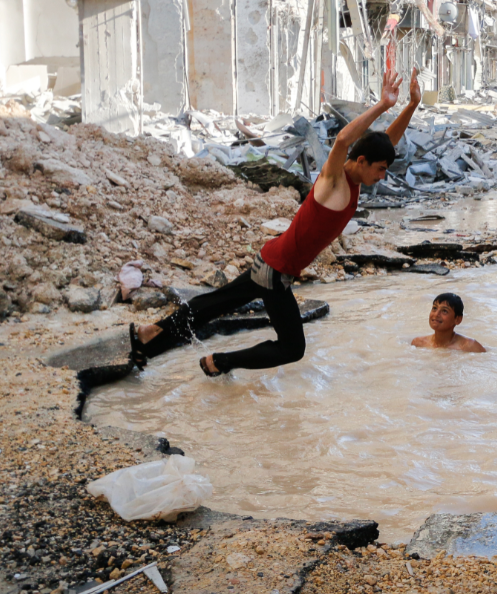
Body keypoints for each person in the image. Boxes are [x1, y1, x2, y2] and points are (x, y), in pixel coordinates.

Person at [129, 67, 423, 376]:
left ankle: (152, 332)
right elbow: (343, 141)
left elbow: (384, 143)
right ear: (361, 161)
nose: (383, 176)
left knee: (214, 304)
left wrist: (411, 106)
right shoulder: (333, 180)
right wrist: (382, 105)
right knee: (292, 348)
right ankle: (220, 362)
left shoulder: (357, 175)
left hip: (271, 259)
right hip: (276, 271)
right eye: (380, 169)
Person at [410, 293, 486, 353]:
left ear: (458, 319)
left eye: (444, 311)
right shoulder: (418, 343)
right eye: (434, 308)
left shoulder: (470, 347)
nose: (436, 314)